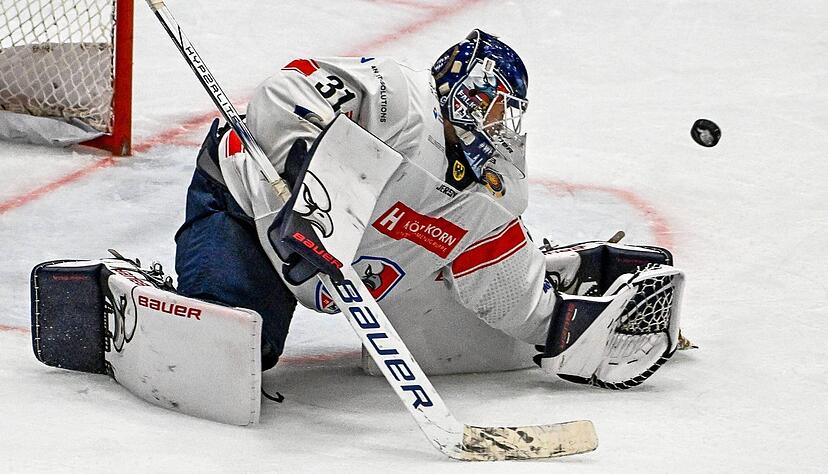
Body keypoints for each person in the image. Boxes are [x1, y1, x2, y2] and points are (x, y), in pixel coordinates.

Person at [174, 29, 685, 388]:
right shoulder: (398, 97)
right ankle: (111, 293)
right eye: (493, 106)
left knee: (465, 303)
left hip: (337, 266)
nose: (500, 125)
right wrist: (304, 179)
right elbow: (285, 90)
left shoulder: (491, 189)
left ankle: (555, 274)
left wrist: (565, 329)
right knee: (227, 357)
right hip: (244, 209)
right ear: (464, 91)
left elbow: (504, 289)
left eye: (509, 115)